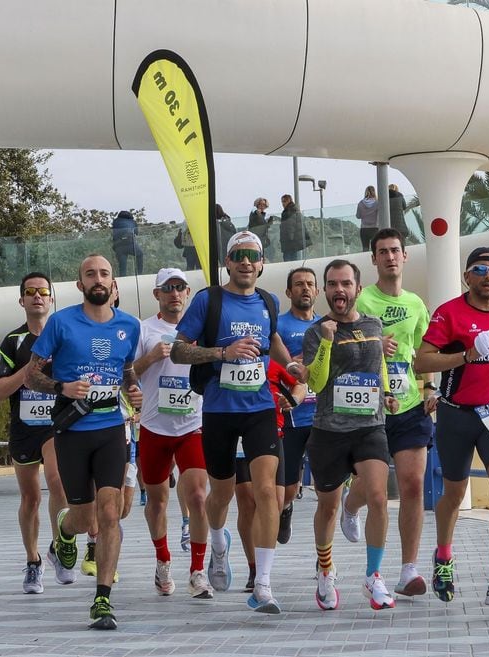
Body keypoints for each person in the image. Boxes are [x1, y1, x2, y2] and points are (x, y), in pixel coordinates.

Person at [171, 230, 305, 614]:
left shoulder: (268, 301)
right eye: (239, 255)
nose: (246, 261)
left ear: (262, 264)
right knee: (222, 493)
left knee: (266, 492)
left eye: (254, 255)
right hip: (219, 410)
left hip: (261, 407)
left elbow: (273, 339)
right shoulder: (208, 301)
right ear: (228, 262)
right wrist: (222, 352)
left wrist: (291, 365)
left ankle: (262, 584)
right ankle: (217, 542)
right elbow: (180, 351)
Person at [26, 254, 143, 631]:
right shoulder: (61, 323)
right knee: (84, 518)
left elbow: (126, 372)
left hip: (111, 429)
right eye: (90, 274)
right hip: (73, 433)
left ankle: (103, 599)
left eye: (105, 273)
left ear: (113, 283)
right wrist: (62, 386)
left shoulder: (129, 325)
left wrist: (133, 391)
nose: (98, 279)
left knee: (110, 513)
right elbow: (31, 376)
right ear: (79, 285)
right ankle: (64, 530)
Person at [415, 247, 489, 607]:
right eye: (480, 270)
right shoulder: (449, 313)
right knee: (453, 492)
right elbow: (421, 361)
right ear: (467, 277)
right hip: (456, 415)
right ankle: (444, 557)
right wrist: (465, 356)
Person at [304, 259, 399, 611]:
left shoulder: (374, 324)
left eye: (345, 283)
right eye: (332, 284)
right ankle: (325, 570)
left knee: (377, 496)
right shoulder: (317, 331)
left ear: (358, 288)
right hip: (329, 430)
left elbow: (379, 366)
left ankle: (374, 575)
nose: (338, 290)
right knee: (327, 508)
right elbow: (314, 382)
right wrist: (327, 342)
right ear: (324, 290)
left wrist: (387, 393)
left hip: (369, 426)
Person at [347, 227, 437, 599]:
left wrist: (430, 387)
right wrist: (371, 344)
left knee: (413, 485)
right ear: (374, 259)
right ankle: (350, 504)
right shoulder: (363, 299)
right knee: (374, 490)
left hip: (410, 404)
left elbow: (425, 352)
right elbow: (343, 344)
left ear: (405, 256)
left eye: (395, 250)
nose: (389, 257)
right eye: (382, 251)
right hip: (373, 406)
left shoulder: (416, 304)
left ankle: (407, 569)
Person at [132, 267, 214, 599]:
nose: (175, 294)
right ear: (157, 294)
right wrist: (151, 358)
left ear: (187, 293)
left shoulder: (200, 329)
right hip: (154, 426)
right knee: (157, 500)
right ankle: (162, 559)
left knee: (196, 496)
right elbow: (129, 373)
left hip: (192, 425)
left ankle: (198, 571)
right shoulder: (144, 329)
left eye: (181, 287)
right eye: (168, 288)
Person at [0, 272, 71, 594]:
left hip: (54, 425)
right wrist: (27, 371)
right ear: (21, 300)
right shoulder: (13, 342)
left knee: (57, 483)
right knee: (31, 499)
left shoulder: (63, 337)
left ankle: (60, 551)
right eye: (30, 292)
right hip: (23, 430)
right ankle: (33, 561)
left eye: (43, 291)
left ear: (51, 299)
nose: (37, 296)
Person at [236, 359, 304, 591]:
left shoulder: (272, 364)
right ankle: (255, 568)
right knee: (247, 501)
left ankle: (285, 510)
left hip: (272, 435)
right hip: (237, 438)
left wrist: (293, 399)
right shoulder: (224, 359)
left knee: (273, 502)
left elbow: (300, 384)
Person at [276, 267, 320, 545]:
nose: (305, 289)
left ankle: (324, 560)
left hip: (322, 418)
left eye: (310, 284)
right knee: (289, 488)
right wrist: (293, 363)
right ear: (289, 292)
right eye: (299, 284)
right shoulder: (279, 326)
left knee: (329, 490)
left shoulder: (326, 325)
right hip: (291, 417)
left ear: (317, 291)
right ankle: (287, 507)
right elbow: (271, 362)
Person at [111, 210, 143, 277]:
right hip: (130, 244)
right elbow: (136, 232)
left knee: (122, 265)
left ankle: (123, 279)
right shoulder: (132, 222)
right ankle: (140, 274)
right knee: (140, 254)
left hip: (118, 246)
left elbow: (113, 233)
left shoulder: (115, 221)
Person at [279, 194, 307, 262]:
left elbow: (290, 225)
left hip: (290, 243)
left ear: (289, 200)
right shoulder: (293, 209)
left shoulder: (289, 211)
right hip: (294, 242)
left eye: (284, 201)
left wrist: (290, 238)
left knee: (289, 262)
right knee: (294, 261)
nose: (283, 203)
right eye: (282, 201)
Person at [355, 186, 380, 251]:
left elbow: (358, 216)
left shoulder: (361, 203)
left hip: (364, 229)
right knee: (375, 248)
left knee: (365, 248)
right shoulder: (377, 203)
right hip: (375, 228)